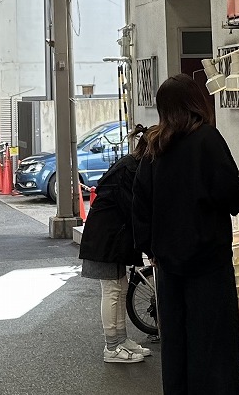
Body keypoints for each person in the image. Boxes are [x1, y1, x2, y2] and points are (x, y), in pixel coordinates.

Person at [133, 74, 239, 395]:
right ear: (196, 101)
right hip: (209, 260)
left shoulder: (154, 145)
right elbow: (233, 197)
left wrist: (149, 247)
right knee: (213, 342)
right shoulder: (208, 139)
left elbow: (139, 204)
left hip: (167, 263)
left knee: (176, 341)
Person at [78, 127, 153, 365]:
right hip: (105, 240)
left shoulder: (131, 165)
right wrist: (149, 246)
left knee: (118, 289)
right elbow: (133, 211)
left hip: (110, 238)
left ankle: (121, 341)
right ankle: (112, 347)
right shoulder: (130, 169)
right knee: (112, 290)